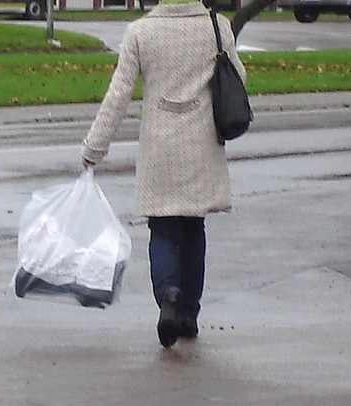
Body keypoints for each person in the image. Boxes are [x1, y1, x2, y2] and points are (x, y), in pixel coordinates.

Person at [81, 0, 246, 348]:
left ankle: (167, 293)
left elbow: (119, 94)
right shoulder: (217, 27)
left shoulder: (141, 32)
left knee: (164, 228)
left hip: (161, 148)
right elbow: (238, 77)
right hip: (202, 143)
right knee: (193, 227)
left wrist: (94, 148)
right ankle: (188, 314)